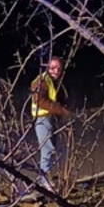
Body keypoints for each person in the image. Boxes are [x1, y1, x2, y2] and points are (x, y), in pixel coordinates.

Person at [30, 56, 71, 190]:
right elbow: (40, 100)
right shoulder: (41, 82)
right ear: (48, 67)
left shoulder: (55, 82)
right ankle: (44, 179)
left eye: (59, 68)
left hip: (51, 119)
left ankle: (47, 178)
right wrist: (61, 110)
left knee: (51, 149)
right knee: (47, 149)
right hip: (43, 119)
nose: (56, 71)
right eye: (53, 67)